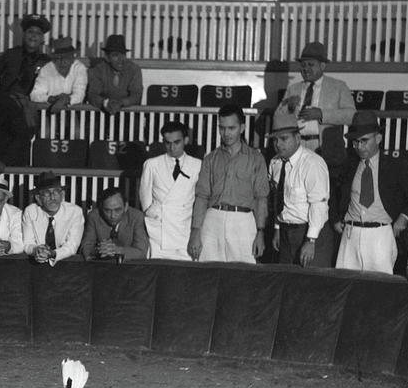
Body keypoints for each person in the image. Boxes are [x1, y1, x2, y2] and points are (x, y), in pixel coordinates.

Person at [331, 110, 408, 274]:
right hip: (350, 234)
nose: (359, 146)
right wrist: (336, 218)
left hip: (381, 234)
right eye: (356, 142)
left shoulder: (395, 167)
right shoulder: (348, 166)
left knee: (380, 289)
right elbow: (334, 195)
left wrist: (404, 217)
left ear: (378, 138)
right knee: (344, 287)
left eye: (364, 141)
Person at [189, 104, 269, 263]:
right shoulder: (210, 159)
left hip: (243, 221)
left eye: (231, 128)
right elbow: (202, 197)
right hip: (213, 220)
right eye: (222, 128)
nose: (226, 133)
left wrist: (260, 232)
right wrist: (195, 232)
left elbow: (261, 198)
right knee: (208, 275)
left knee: (244, 276)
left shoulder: (255, 158)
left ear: (242, 127)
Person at [266, 111, 332, 268]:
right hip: (285, 233)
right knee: (288, 285)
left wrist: (311, 240)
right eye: (275, 140)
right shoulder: (275, 163)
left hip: (311, 232)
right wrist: (277, 228)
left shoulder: (312, 163)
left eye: (284, 139)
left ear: (297, 138)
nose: (278, 144)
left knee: (311, 286)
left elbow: (318, 204)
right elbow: (277, 200)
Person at [276, 41, 355, 169]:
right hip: (297, 148)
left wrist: (322, 114)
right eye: (303, 65)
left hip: (325, 149)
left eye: (311, 64)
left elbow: (351, 115)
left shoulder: (338, 87)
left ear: (322, 66)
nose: (306, 68)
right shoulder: (293, 89)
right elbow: (279, 117)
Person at [139, 120, 201, 260]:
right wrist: (153, 214)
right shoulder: (151, 165)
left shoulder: (197, 165)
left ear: (186, 140)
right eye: (168, 143)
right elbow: (145, 199)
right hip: (159, 233)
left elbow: (200, 199)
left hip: (184, 231)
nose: (172, 147)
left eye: (177, 142)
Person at [21, 172, 84, 266]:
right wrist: (36, 250)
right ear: (38, 198)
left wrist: (53, 253)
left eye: (56, 192)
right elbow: (27, 243)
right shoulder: (30, 211)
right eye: (47, 193)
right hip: (37, 262)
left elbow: (72, 245)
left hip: (66, 263)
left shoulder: (75, 212)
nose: (52, 197)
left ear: (62, 195)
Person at [81, 187, 149, 262]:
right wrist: (99, 251)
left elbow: (141, 251)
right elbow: (86, 246)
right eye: (107, 210)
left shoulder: (136, 217)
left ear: (126, 206)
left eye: (117, 210)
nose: (112, 215)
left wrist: (117, 251)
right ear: (101, 207)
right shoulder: (94, 216)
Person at [0, 13, 51, 97]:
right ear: (24, 34)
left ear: (42, 39)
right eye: (30, 31)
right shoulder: (10, 55)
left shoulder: (46, 62)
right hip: (5, 102)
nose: (33, 36)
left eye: (38, 33)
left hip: (31, 105)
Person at [86, 35, 144, 115]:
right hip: (103, 113)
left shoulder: (134, 69)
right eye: (115, 55)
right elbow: (92, 95)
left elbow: (136, 96)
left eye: (123, 54)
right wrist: (105, 103)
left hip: (128, 114)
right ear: (107, 57)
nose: (121, 59)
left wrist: (121, 103)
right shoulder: (98, 69)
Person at [29, 37, 87, 114]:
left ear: (72, 58)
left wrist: (65, 100)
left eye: (66, 57)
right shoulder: (46, 69)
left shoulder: (79, 68)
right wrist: (50, 99)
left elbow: (80, 94)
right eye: (58, 58)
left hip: (73, 113)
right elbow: (34, 95)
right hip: (48, 112)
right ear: (53, 59)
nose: (62, 61)